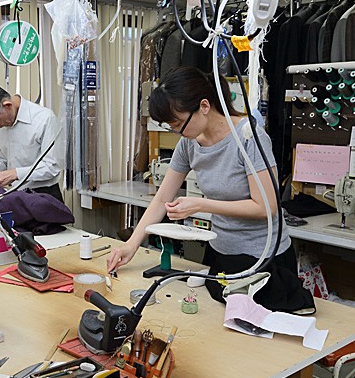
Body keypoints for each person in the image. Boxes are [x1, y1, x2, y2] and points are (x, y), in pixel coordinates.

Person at [107, 67, 313, 313]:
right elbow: (162, 198)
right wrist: (131, 246)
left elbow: (266, 207)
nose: (177, 132)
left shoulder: (248, 137)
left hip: (264, 261)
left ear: (204, 106)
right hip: (221, 253)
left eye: (178, 124)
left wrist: (200, 205)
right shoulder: (189, 144)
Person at [0, 83, 63, 202]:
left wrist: (15, 174)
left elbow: (52, 167)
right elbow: (1, 159)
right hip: (16, 195)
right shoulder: (1, 125)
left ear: (7, 105)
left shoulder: (44, 119)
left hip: (45, 196)